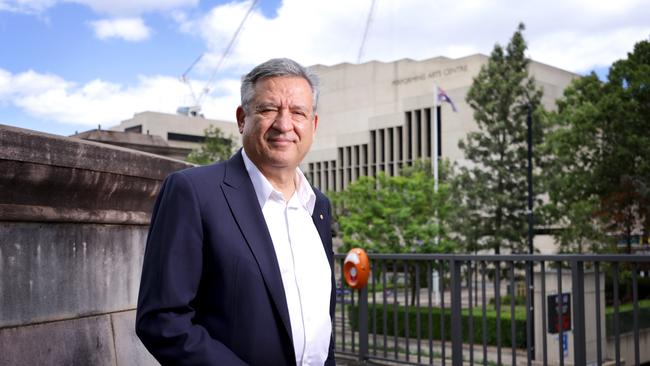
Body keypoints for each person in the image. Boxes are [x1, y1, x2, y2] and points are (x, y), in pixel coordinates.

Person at [135, 58, 336, 366]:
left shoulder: (318, 206)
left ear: (313, 124)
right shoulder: (194, 192)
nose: (284, 124)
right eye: (269, 109)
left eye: (298, 112)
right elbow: (163, 321)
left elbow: (321, 320)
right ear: (243, 119)